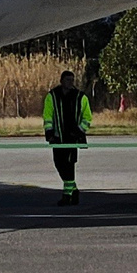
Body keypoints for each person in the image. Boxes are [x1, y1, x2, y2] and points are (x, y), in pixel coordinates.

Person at [43, 69, 92, 206]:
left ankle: (67, 194)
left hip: (72, 138)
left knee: (69, 165)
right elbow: (48, 115)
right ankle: (74, 189)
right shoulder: (52, 96)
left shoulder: (80, 97)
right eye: (67, 80)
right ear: (61, 81)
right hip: (58, 137)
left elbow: (87, 117)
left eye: (72, 80)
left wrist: (79, 131)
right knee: (59, 164)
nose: (70, 83)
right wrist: (49, 132)